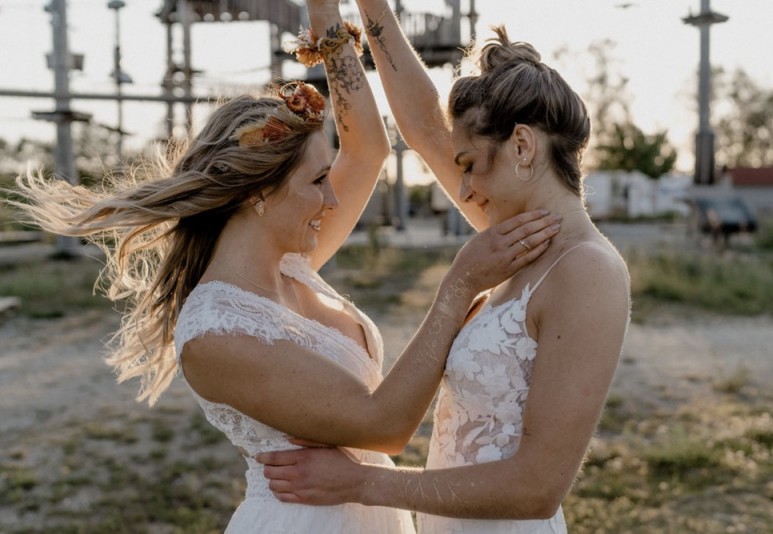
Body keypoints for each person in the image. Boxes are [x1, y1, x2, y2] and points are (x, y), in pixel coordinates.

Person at [8, 0, 559, 531]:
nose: (333, 199)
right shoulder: (215, 331)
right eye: (317, 182)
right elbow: (383, 426)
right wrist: (459, 285)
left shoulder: (288, 263)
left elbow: (366, 147)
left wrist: (326, 20)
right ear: (258, 195)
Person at [256, 3, 632, 533]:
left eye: (471, 166)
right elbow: (425, 127)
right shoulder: (516, 242)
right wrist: (364, 8)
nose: (463, 190)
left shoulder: (586, 270)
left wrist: (363, 483)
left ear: (522, 145)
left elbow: (538, 486)